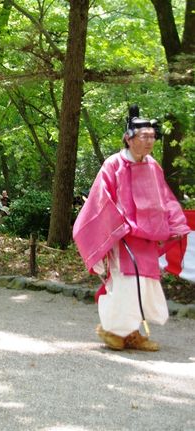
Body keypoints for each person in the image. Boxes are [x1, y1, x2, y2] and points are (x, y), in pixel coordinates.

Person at [73, 105, 190, 352]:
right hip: (123, 234)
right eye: (143, 136)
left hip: (148, 236)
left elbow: (165, 197)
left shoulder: (153, 166)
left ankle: (131, 333)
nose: (149, 142)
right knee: (126, 283)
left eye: (152, 136)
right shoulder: (113, 164)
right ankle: (115, 331)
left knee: (146, 284)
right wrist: (117, 225)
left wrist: (176, 223)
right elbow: (100, 199)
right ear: (129, 138)